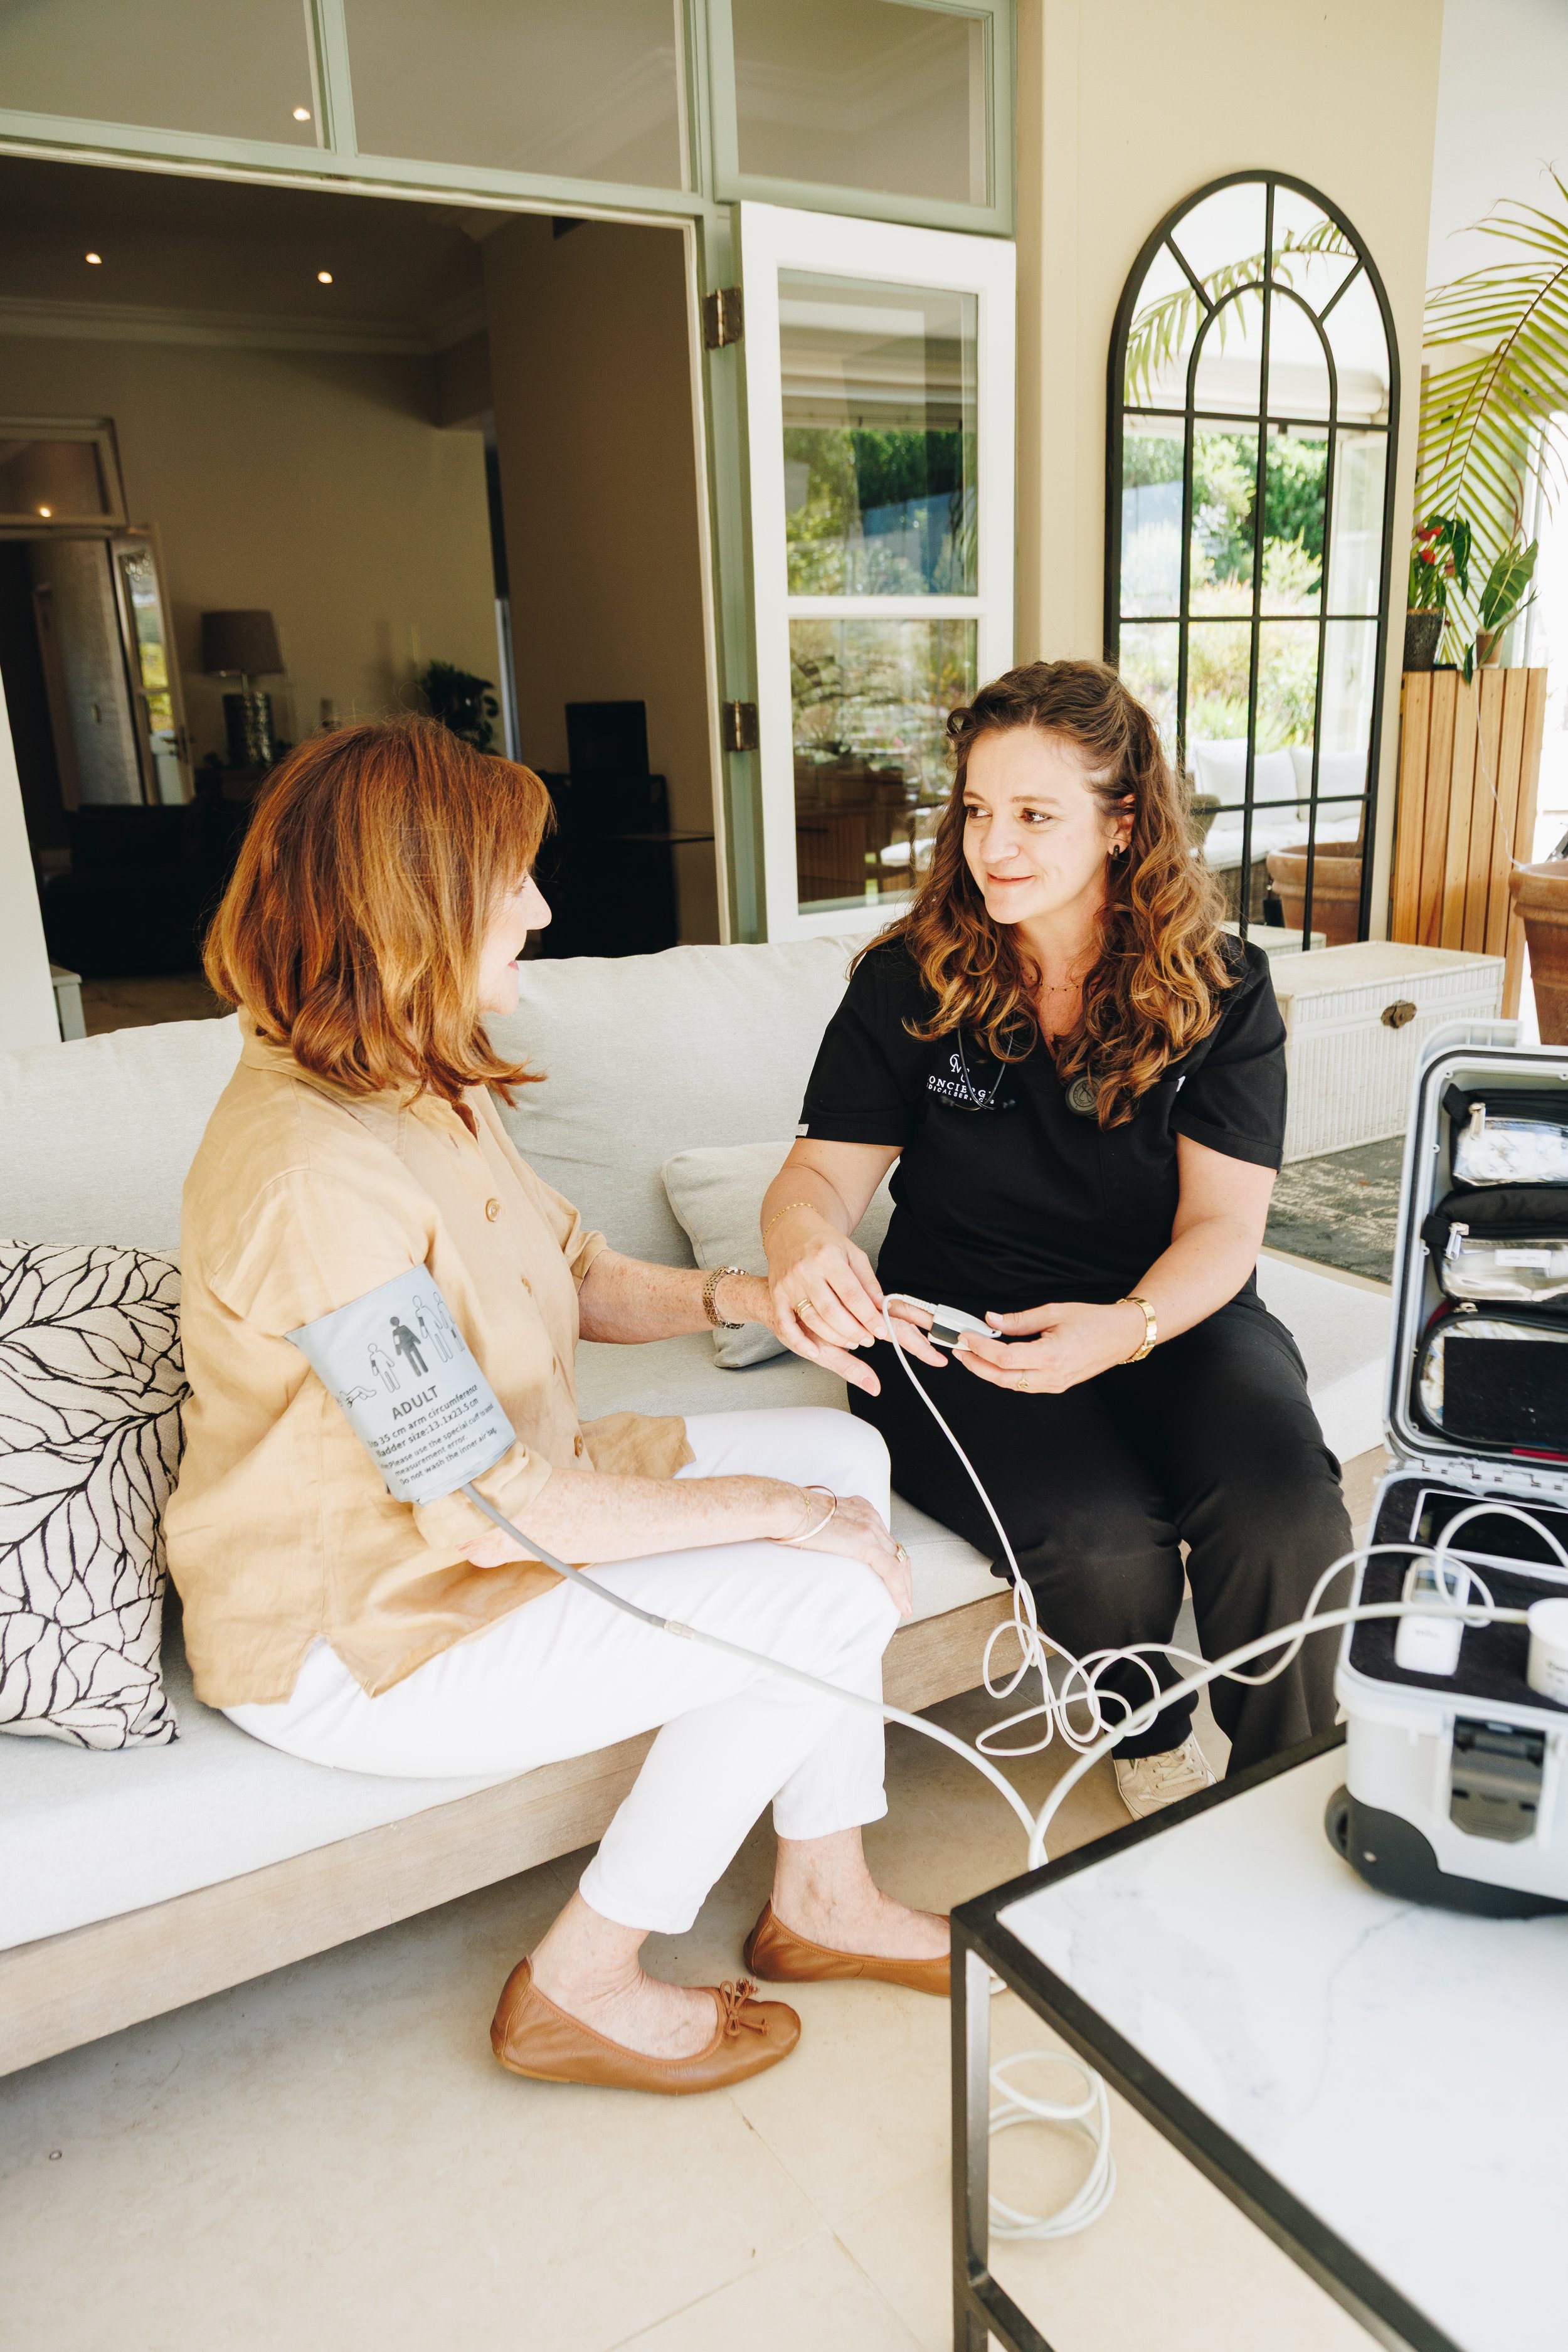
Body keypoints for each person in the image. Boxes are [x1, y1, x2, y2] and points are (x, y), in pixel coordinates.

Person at [166, 716, 947, 2100]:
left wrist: (744, 1302)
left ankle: (819, 1889)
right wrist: (779, 1520)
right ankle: (579, 1982)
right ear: (408, 907)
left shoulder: (411, 1074)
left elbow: (576, 1273)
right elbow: (485, 1511)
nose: (537, 907)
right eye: (508, 880)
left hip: (476, 1517)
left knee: (842, 1445)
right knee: (826, 1582)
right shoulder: (309, 1178)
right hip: (366, 1635)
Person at [761, 660, 1350, 1816]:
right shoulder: (908, 979)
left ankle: (1284, 1780)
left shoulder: (1223, 988)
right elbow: (817, 1179)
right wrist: (802, 1245)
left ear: (1123, 822)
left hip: (1168, 1307)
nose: (995, 846)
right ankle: (1153, 1736)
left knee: (1285, 1507)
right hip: (962, 1330)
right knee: (1104, 1543)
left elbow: (1225, 1227)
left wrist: (1124, 1330)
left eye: (1035, 814)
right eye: (979, 811)